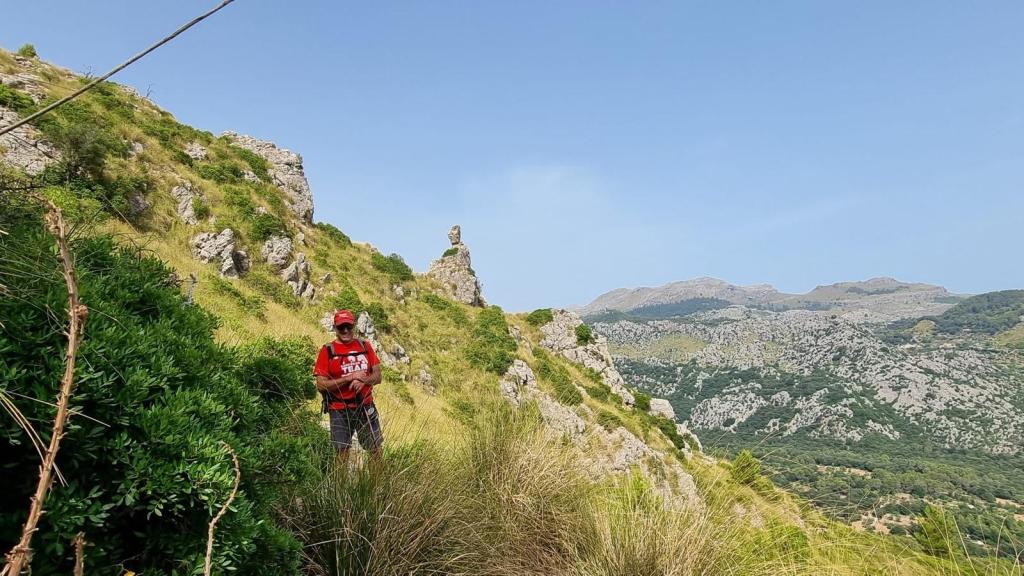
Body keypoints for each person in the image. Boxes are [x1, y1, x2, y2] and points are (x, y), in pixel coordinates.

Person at [313, 309, 384, 461]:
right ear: (335, 328)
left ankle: (379, 478)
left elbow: (378, 376)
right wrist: (349, 378)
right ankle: (341, 478)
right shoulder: (327, 351)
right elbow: (321, 385)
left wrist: (363, 380)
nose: (345, 330)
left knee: (375, 450)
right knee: (342, 453)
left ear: (354, 326)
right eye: (341, 327)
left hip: (365, 406)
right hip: (339, 409)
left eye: (348, 327)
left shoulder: (365, 346)